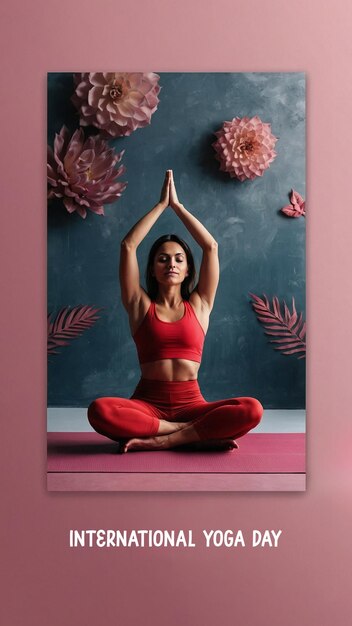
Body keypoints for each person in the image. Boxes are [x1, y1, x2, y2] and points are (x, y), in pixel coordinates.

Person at [87, 170, 263, 452]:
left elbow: (211, 246)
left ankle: (165, 439)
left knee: (251, 409)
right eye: (162, 259)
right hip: (147, 406)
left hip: (192, 405)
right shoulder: (139, 305)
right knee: (99, 410)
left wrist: (177, 207)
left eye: (179, 259)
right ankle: (190, 434)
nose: (171, 264)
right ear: (153, 270)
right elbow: (128, 246)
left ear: (188, 269)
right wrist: (160, 206)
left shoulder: (200, 304)